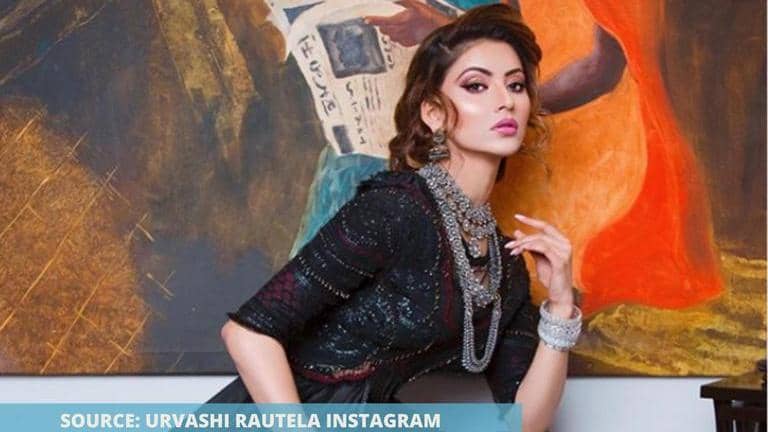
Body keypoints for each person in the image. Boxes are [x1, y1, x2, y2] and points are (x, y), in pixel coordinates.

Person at [213, 5, 581, 431]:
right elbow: (248, 333)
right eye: (477, 85)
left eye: (516, 85)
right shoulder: (395, 211)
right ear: (434, 113)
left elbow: (524, 422)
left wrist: (560, 308)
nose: (506, 100)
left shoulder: (504, 267)